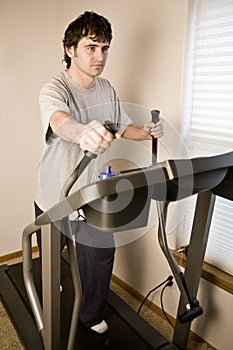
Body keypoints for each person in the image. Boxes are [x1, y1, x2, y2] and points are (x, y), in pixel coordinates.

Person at [35, 11, 163, 334]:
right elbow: (58, 120)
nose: (100, 56)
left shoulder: (106, 88)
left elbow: (120, 126)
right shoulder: (55, 87)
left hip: (90, 193)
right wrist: (81, 131)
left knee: (102, 254)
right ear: (70, 49)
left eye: (105, 48)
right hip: (53, 193)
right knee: (49, 259)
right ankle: (45, 296)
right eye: (91, 47)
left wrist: (146, 131)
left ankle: (90, 315)